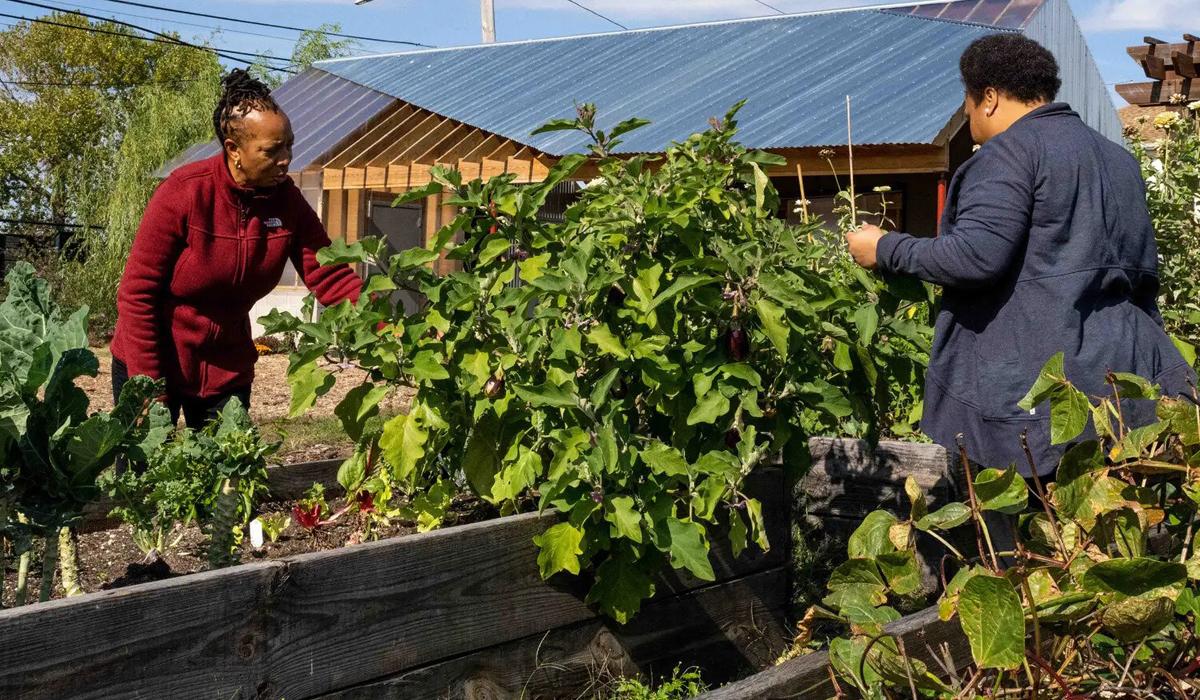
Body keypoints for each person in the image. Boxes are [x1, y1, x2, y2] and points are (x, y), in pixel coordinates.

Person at [846, 34, 1194, 476]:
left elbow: (974, 257)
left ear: (989, 98)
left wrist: (884, 248)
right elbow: (1142, 273)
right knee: (1100, 513)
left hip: (1037, 394)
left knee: (1019, 515)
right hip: (1122, 386)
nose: (968, 115)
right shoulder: (1117, 160)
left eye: (968, 101)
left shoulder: (1008, 154)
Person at [110, 69, 363, 428]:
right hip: (154, 359)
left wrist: (389, 326)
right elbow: (137, 295)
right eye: (272, 150)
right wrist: (146, 388)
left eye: (289, 145)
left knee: (228, 462)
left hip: (226, 370)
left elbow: (331, 275)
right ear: (234, 149)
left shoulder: (287, 202)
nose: (286, 159)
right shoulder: (184, 193)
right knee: (147, 463)